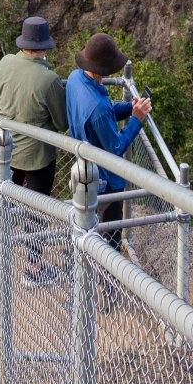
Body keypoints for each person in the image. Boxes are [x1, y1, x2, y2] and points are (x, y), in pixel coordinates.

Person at [65, 32, 151, 247]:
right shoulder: (98, 108)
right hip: (105, 180)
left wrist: (130, 107)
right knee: (110, 235)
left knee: (86, 225)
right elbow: (116, 147)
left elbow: (105, 111)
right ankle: (108, 265)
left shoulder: (76, 78)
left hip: (83, 165)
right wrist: (137, 119)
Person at [0, 14, 69, 195]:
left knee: (5, 203)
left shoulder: (6, 62)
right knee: (37, 208)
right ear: (45, 46)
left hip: (6, 148)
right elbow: (62, 123)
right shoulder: (49, 79)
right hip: (38, 156)